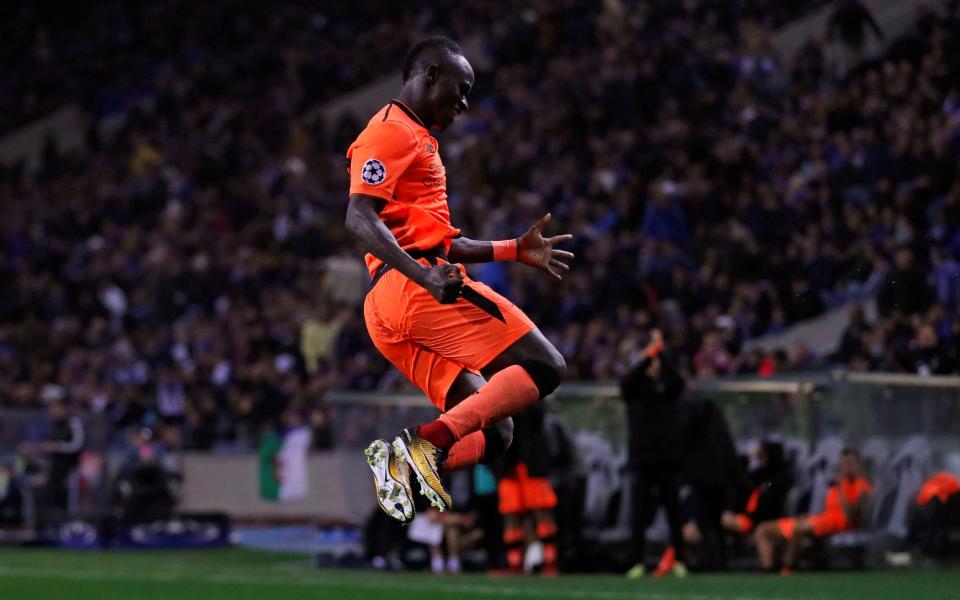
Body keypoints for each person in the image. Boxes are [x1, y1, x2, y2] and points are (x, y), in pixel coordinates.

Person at [347, 36, 573, 523]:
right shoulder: (391, 132)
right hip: (411, 287)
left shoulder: (416, 139)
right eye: (460, 88)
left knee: (496, 433)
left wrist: (512, 249)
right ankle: (422, 445)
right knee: (545, 365)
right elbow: (359, 218)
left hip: (393, 299)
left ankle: (400, 462)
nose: (464, 103)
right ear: (429, 73)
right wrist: (424, 277)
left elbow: (438, 241)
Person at [621, 330, 688, 578]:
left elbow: (678, 382)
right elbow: (627, 382)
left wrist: (661, 353)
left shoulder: (668, 390)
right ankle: (637, 561)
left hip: (668, 460)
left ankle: (679, 560)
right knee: (639, 515)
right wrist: (649, 355)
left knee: (674, 513)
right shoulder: (634, 392)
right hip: (642, 460)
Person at [754, 448, 872, 574]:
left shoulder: (861, 485)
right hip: (822, 520)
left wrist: (841, 489)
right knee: (763, 529)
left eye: (849, 464)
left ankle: (788, 566)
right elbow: (828, 511)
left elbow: (851, 516)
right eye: (843, 464)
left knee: (799, 529)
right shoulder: (838, 484)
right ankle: (768, 568)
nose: (845, 468)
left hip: (839, 524)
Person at [497, 403, 560, 576]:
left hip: (532, 466)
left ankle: (550, 563)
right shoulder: (498, 396)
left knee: (542, 514)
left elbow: (536, 414)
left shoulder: (532, 397)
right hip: (509, 467)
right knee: (511, 516)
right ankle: (515, 564)